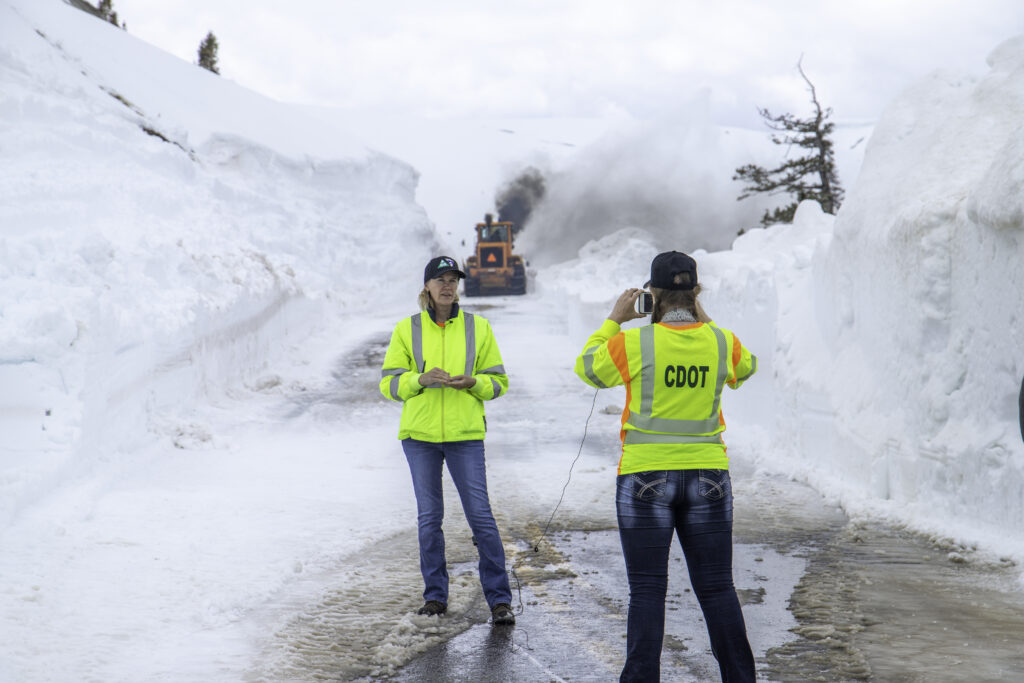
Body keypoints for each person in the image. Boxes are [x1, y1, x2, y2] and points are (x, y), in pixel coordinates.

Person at [573, 251, 757, 682]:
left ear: (651, 295)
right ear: (695, 293)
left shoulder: (634, 342)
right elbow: (745, 368)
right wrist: (705, 318)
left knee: (648, 591)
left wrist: (614, 319)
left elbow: (588, 370)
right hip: (709, 475)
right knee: (717, 589)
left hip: (644, 477)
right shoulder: (720, 340)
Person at [379, 255, 515, 626]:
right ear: (426, 287)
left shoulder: (478, 327)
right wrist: (418, 380)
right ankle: (435, 598)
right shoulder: (407, 329)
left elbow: (499, 382)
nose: (447, 285)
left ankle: (500, 601)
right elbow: (388, 384)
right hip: (419, 438)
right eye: (440, 279)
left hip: (465, 436)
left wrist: (475, 383)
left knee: (481, 518)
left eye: (453, 279)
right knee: (429, 519)